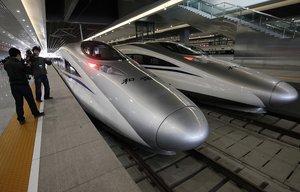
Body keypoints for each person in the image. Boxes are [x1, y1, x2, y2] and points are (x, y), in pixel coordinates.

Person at [4, 47, 44, 124]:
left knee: (18, 103)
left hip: (13, 86)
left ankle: (21, 119)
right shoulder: (19, 64)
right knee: (30, 100)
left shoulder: (7, 64)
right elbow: (28, 71)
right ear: (18, 54)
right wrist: (28, 64)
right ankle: (36, 113)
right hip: (23, 85)